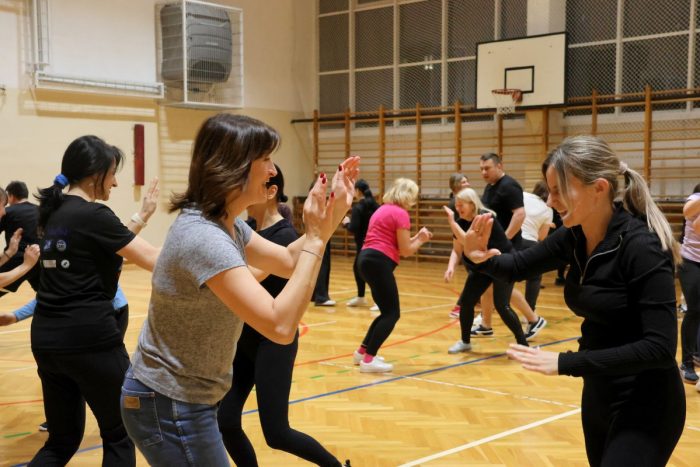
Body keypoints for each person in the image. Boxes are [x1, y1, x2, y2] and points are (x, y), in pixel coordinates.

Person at [120, 113, 359, 465]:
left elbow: (287, 261)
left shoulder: (225, 224)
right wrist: (314, 238)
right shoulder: (205, 237)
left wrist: (334, 209)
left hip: (183, 398)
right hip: (169, 402)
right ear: (233, 166)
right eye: (265, 159)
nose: (273, 171)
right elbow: (279, 325)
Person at [462, 135, 685, 467]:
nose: (550, 201)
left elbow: (660, 348)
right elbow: (518, 266)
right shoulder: (574, 235)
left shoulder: (642, 246)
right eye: (549, 190)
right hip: (599, 393)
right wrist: (478, 257)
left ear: (599, 188)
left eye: (559, 191)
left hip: (647, 400)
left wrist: (565, 363)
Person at [28, 135, 159, 466]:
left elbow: (107, 245)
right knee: (121, 433)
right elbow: (153, 259)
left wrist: (142, 216)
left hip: (46, 340)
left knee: (61, 442)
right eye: (112, 174)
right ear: (95, 174)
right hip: (89, 339)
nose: (115, 183)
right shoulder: (94, 214)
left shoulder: (53, 213)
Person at [217, 164, 346, 466]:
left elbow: (250, 278)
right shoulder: (248, 228)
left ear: (271, 191)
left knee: (276, 433)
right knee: (226, 421)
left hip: (273, 342)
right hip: (246, 336)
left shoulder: (283, 234)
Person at [353, 178, 432, 373]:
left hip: (365, 259)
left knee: (385, 311)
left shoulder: (383, 209)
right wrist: (421, 240)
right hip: (378, 262)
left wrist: (416, 237)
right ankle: (369, 360)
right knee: (392, 314)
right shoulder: (401, 213)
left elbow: (396, 242)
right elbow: (406, 250)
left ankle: (362, 353)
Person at [443, 188, 529, 354]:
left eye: (461, 205)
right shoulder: (461, 222)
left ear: (472, 204)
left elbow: (468, 242)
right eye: (456, 205)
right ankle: (465, 342)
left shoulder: (485, 217)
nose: (458, 208)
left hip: (502, 263)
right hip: (482, 266)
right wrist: (451, 267)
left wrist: (452, 223)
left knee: (502, 305)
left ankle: (523, 344)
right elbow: (457, 249)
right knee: (466, 302)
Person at [342, 179, 379, 307]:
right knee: (360, 268)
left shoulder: (358, 208)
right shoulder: (376, 205)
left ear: (358, 191)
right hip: (376, 242)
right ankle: (361, 297)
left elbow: (353, 228)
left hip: (363, 244)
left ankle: (378, 301)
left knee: (366, 271)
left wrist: (346, 223)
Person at [0, 181, 41, 295]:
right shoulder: (41, 211)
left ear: (11, 196)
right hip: (39, 258)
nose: (4, 211)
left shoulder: (9, 211)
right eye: (3, 206)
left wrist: (9, 252)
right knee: (47, 295)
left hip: (17, 259)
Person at [678, 182, 700, 385]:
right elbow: (696, 225)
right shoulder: (695, 199)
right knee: (694, 310)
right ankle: (686, 363)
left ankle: (697, 353)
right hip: (691, 261)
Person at [443, 173, 470, 318]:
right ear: (456, 185)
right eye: (464, 182)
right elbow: (459, 230)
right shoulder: (456, 203)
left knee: (478, 278)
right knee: (475, 277)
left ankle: (477, 301)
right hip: (465, 244)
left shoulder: (464, 200)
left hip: (469, 243)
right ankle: (460, 306)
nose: (467, 184)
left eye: (467, 181)